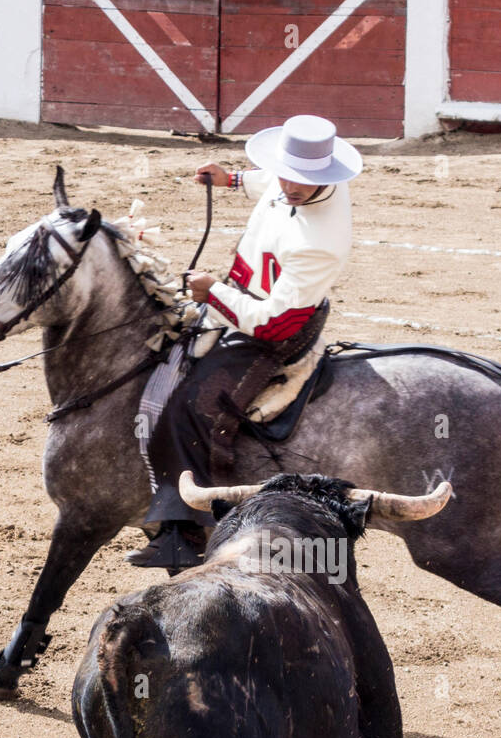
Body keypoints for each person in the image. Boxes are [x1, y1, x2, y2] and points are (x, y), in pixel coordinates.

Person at [130, 116, 361, 570]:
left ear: (324, 177)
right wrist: (232, 179)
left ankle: (183, 532)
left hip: (272, 330)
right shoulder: (302, 180)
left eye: (304, 178)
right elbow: (276, 187)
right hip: (243, 300)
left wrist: (213, 292)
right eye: (287, 172)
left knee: (190, 407)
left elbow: (274, 326)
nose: (291, 185)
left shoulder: (321, 242)